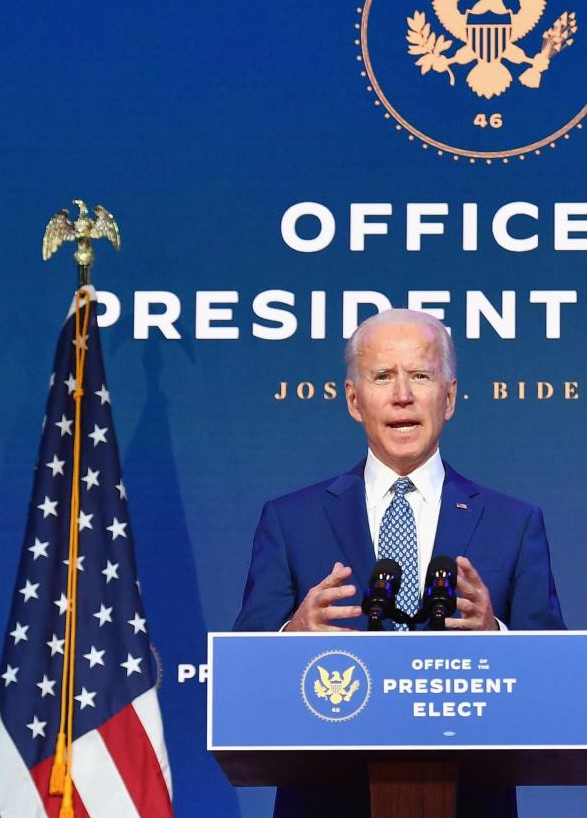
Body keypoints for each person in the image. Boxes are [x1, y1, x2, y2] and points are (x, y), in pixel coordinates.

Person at [233, 308, 565, 816]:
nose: (402, 395)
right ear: (353, 400)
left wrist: (497, 638)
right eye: (383, 376)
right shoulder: (290, 520)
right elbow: (241, 683)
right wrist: (290, 638)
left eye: (421, 376)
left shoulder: (513, 523)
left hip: (469, 801)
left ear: (449, 397)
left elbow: (558, 684)